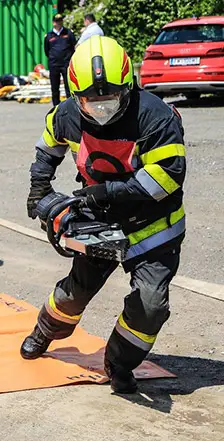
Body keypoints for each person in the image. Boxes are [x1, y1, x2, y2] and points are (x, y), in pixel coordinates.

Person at [22, 36, 186, 394]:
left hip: (154, 225)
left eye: (110, 98)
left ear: (128, 87)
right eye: (90, 101)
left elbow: (167, 177)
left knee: (150, 305)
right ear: (75, 94)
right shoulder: (66, 114)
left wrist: (107, 192)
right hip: (101, 222)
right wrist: (39, 188)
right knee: (74, 293)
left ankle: (120, 363)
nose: (101, 109)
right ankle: (44, 331)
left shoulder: (156, 117)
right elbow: (48, 147)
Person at [44, 14, 76, 106]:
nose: (58, 23)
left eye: (60, 21)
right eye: (56, 21)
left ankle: (70, 106)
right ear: (53, 23)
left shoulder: (68, 33)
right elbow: (47, 51)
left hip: (66, 64)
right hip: (54, 64)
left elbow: (73, 47)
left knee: (68, 87)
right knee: (55, 88)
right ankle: (56, 107)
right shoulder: (49, 36)